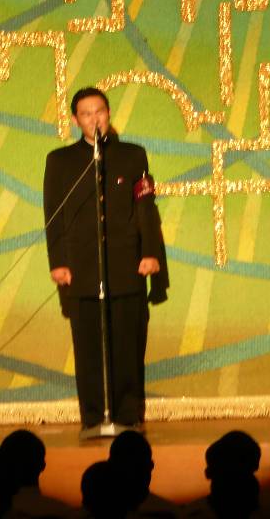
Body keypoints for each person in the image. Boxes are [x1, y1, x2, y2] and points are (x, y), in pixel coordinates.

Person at [43, 87, 168, 435]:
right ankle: (94, 416)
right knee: (87, 347)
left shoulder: (132, 155)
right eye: (86, 113)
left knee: (127, 344)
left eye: (99, 111)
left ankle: (128, 415)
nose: (93, 119)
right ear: (75, 119)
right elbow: (53, 214)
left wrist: (149, 253)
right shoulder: (60, 161)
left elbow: (145, 208)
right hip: (80, 268)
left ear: (108, 113)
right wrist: (58, 261)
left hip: (126, 264)